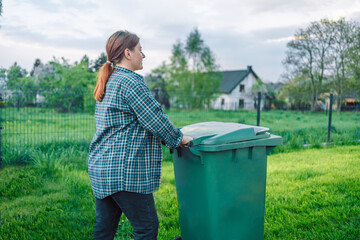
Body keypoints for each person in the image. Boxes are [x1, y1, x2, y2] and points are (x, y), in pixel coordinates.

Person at [88, 30, 193, 240]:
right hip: (124, 173)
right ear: (128, 53)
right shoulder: (130, 82)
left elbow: (142, 121)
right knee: (146, 228)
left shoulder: (111, 80)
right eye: (140, 50)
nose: (143, 55)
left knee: (104, 230)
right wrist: (178, 139)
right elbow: (154, 118)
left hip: (102, 168)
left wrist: (169, 137)